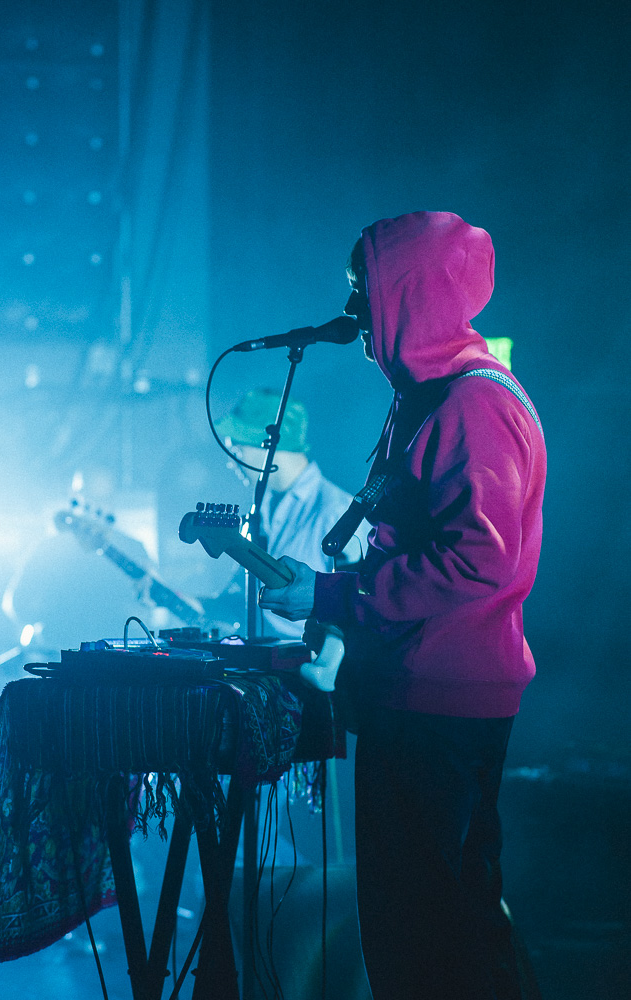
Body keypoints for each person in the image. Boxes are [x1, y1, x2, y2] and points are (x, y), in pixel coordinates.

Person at [260, 211, 547, 999]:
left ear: (409, 296)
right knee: (417, 929)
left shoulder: (473, 405)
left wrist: (330, 593)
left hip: (440, 703)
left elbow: (476, 562)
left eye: (365, 290)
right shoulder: (425, 397)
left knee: (430, 936)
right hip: (413, 694)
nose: (353, 309)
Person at [215, 387, 367, 638]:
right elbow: (239, 604)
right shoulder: (258, 511)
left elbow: (362, 606)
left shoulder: (338, 513)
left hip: (306, 668)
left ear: (267, 446)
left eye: (237, 449)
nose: (232, 461)